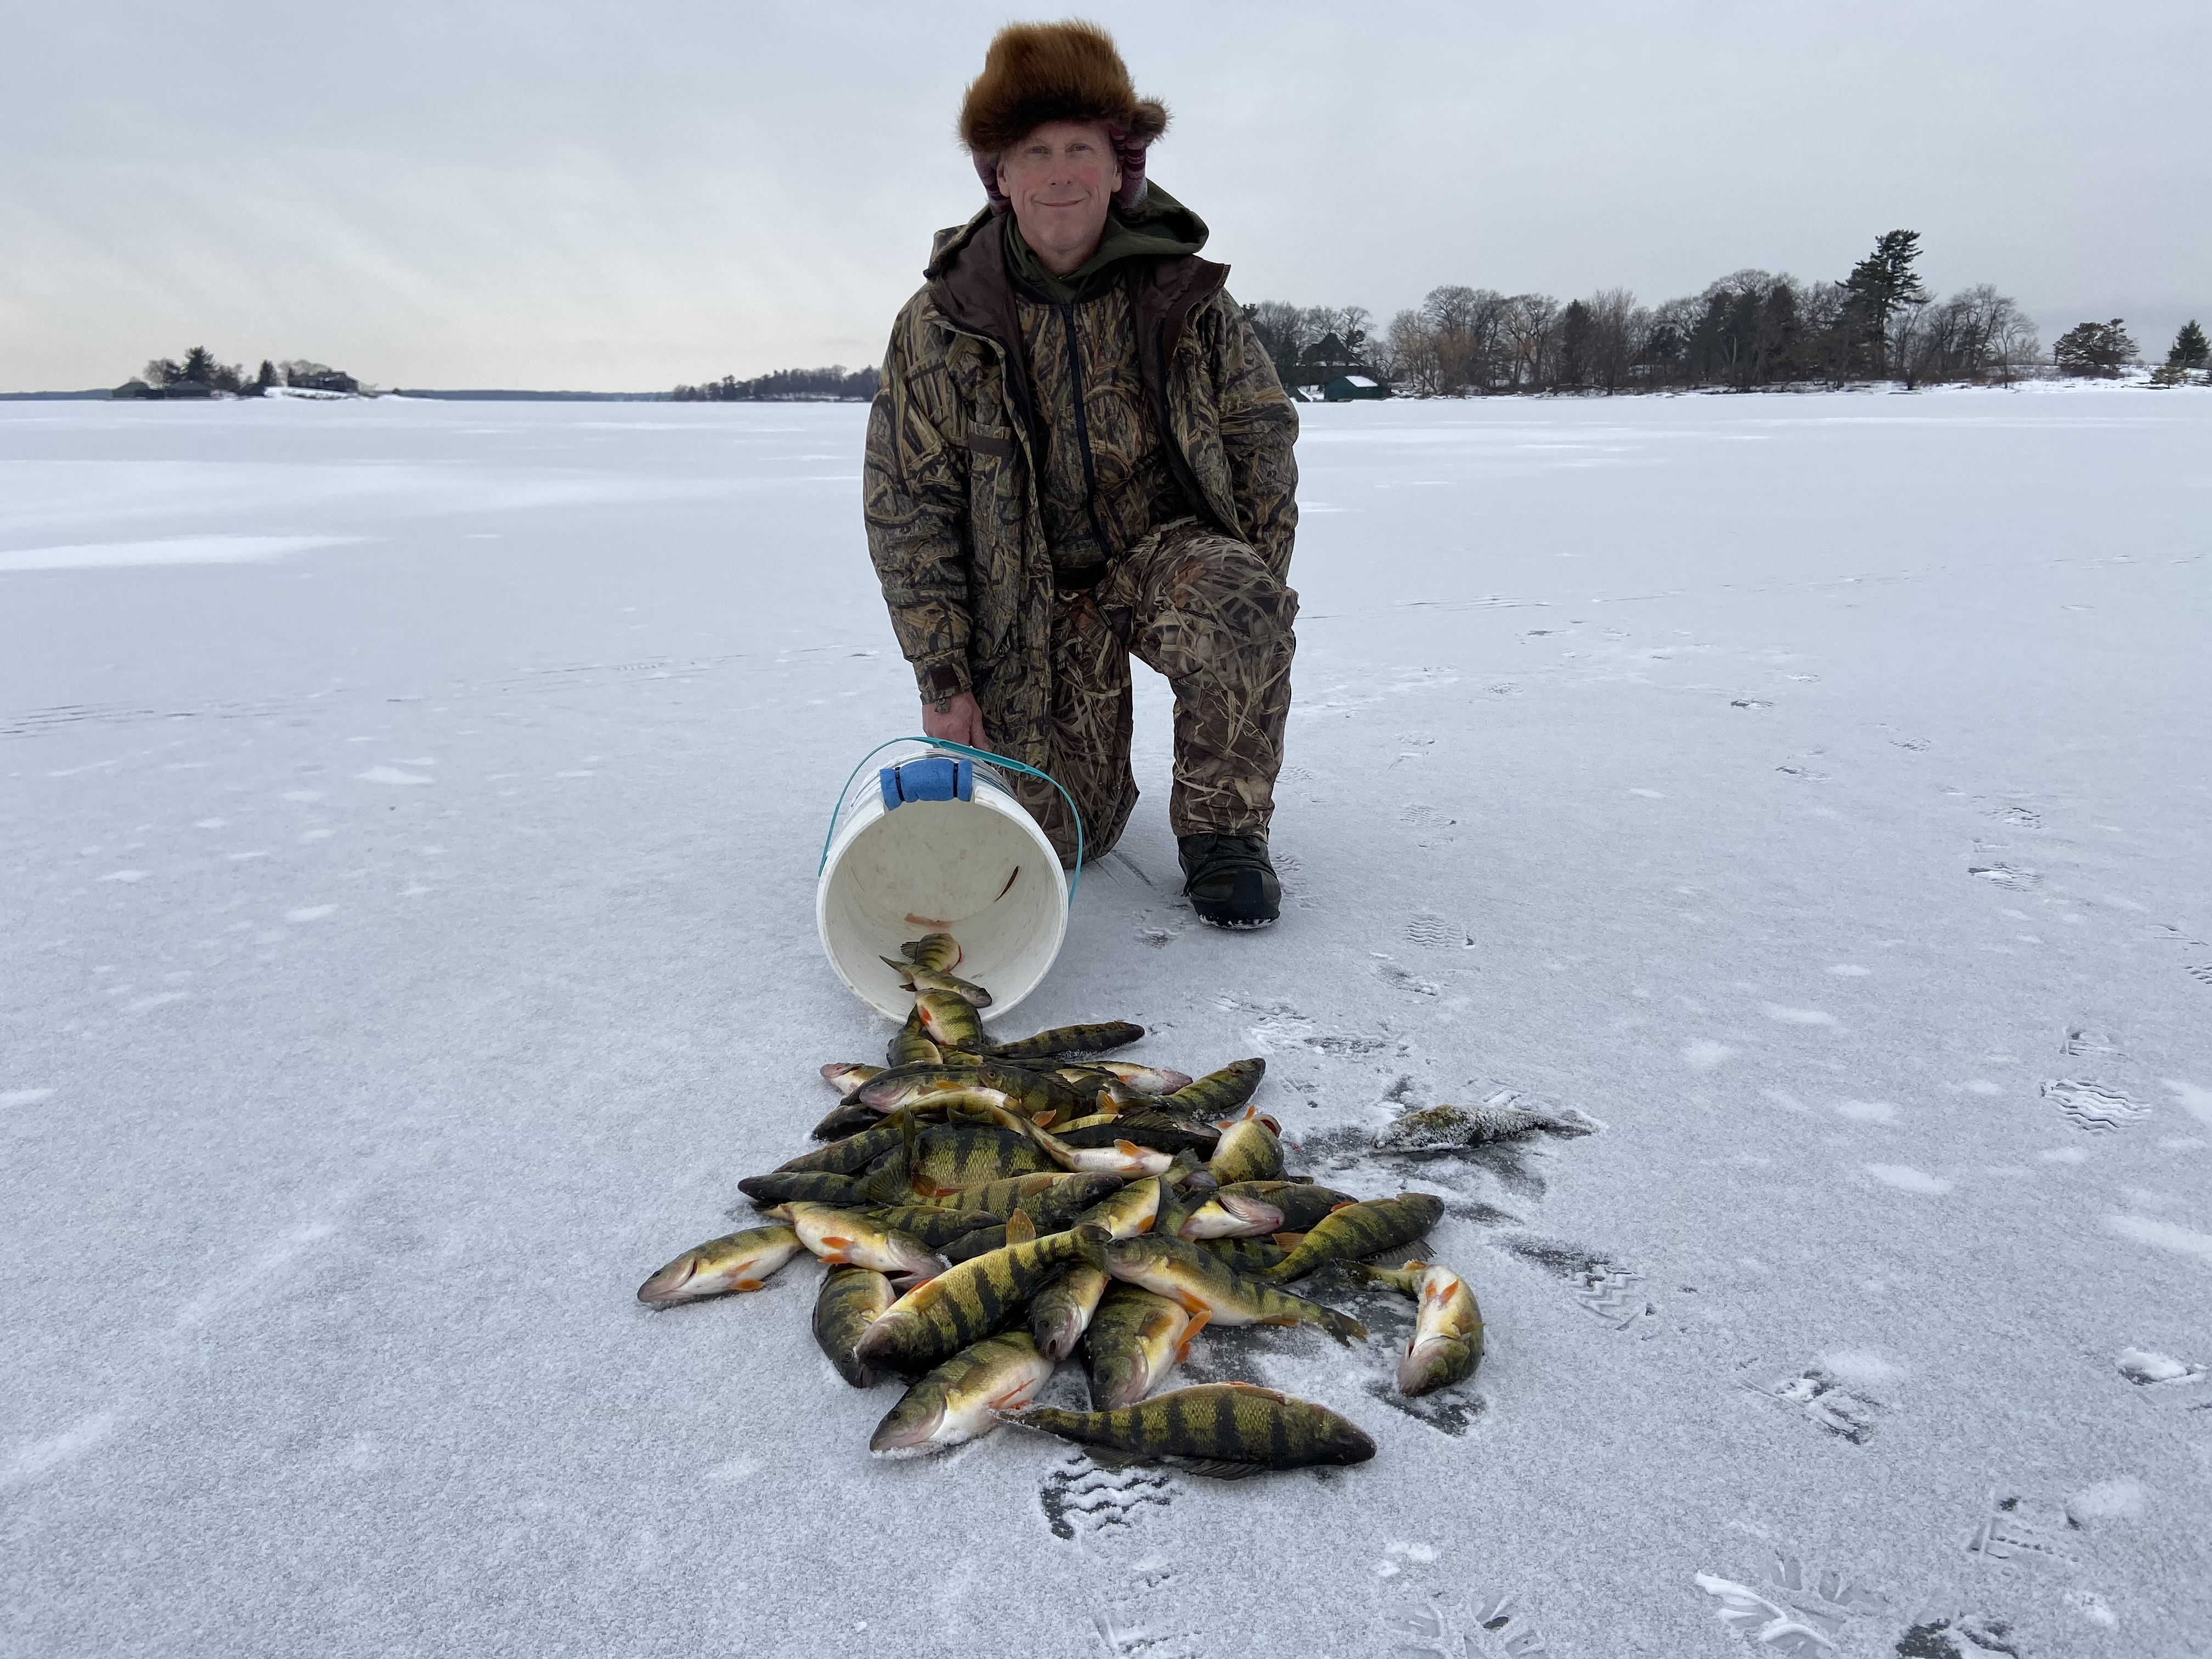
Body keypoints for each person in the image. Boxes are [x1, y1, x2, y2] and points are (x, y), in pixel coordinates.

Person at [862, 20, 1300, 928]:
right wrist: (946, 683)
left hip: (1160, 554)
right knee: (1069, 838)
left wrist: (1252, 582)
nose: (1059, 172)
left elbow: (1261, 436)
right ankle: (1081, 788)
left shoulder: (1187, 294)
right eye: (1035, 152)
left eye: (1080, 149)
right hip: (1028, 596)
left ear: (1118, 166)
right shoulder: (940, 322)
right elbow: (909, 509)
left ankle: (1225, 833)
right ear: (1002, 177)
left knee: (1242, 605)